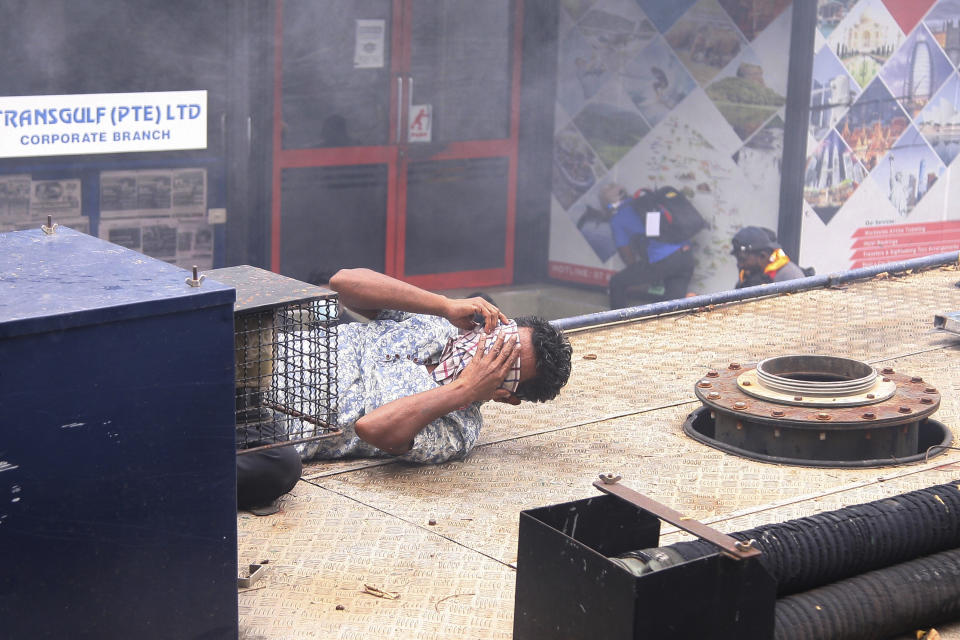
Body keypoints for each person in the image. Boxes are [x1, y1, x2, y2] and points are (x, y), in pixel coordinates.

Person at [237, 269, 572, 510]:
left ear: (507, 395)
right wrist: (443, 305)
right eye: (499, 340)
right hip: (249, 364)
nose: (486, 351)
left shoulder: (457, 429)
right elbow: (344, 284)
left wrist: (464, 389)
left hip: (258, 424)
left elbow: (372, 428)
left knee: (279, 469)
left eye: (502, 361)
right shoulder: (438, 323)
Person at [600, 183, 695, 309]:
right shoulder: (650, 203)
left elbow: (627, 255)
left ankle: (618, 324)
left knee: (617, 282)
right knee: (673, 307)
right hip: (686, 256)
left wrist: (640, 277)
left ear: (608, 205)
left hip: (664, 260)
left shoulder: (618, 218)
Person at [731, 226, 807, 289]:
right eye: (738, 259)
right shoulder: (747, 274)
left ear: (762, 256)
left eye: (742, 259)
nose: (740, 265)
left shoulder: (789, 276)